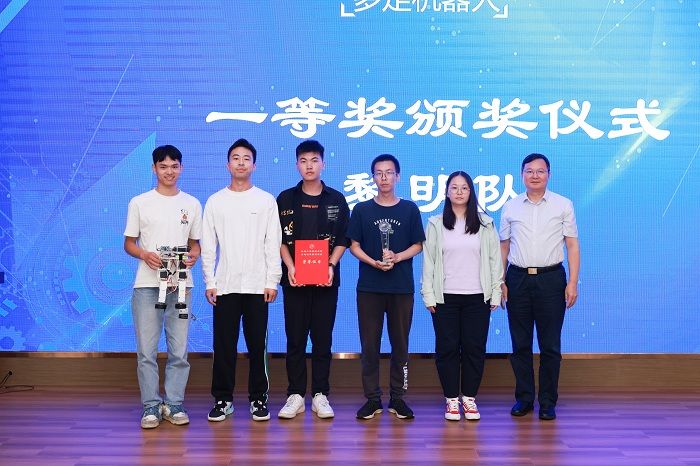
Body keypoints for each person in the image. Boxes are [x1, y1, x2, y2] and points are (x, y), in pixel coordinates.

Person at [200, 138, 282, 423]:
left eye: (246, 158)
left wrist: (272, 280)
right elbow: (208, 246)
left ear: (254, 165)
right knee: (224, 345)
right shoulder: (215, 201)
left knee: (257, 346)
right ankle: (223, 399)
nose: (241, 163)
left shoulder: (265, 200)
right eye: (236, 158)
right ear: (228, 164)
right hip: (225, 286)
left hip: (258, 286)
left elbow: (273, 243)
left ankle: (259, 399)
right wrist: (210, 282)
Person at [124, 144, 202, 429]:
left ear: (181, 168)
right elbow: (129, 243)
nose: (169, 171)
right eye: (163, 166)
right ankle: (150, 406)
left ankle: (174, 403)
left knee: (179, 349)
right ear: (154, 169)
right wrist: (144, 254)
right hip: (147, 285)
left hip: (181, 285)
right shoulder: (139, 202)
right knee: (146, 350)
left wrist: (194, 255)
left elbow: (195, 244)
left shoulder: (192, 204)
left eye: (174, 166)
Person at [500, 153, 580, 421]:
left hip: (551, 279)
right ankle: (524, 399)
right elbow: (504, 246)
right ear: (522, 174)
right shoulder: (510, 206)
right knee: (520, 344)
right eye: (529, 171)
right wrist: (500, 280)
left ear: (549, 174)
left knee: (550, 345)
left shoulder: (563, 205)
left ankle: (547, 402)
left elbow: (572, 245)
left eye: (540, 171)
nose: (535, 175)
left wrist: (572, 282)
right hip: (518, 279)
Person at [275, 140, 350, 419]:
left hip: (325, 281)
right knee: (295, 339)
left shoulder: (336, 199)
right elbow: (278, 239)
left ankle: (320, 394)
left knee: (322, 339)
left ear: (323, 164)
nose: (309, 166)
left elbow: (343, 238)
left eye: (314, 160)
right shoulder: (285, 199)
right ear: (297, 164)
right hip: (294, 279)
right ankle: (295, 394)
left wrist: (330, 265)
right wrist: (290, 266)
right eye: (304, 161)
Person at [347, 154, 425, 420]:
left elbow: (418, 245)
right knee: (369, 345)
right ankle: (372, 399)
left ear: (397, 176)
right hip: (369, 287)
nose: (384, 178)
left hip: (401, 287)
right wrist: (374, 262)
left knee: (400, 344)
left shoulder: (410, 209)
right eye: (379, 173)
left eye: (389, 172)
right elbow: (353, 246)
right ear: (373, 178)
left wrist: (397, 257)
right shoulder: (362, 210)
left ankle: (398, 398)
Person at [421, 171, 503, 421]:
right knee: (446, 348)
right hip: (445, 297)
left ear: (471, 192)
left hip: (478, 297)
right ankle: (451, 400)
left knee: (474, 348)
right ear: (446, 192)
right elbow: (429, 261)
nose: (459, 192)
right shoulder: (435, 223)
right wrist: (428, 294)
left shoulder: (485, 223)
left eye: (464, 188)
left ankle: (469, 398)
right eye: (454, 187)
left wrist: (496, 291)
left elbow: (494, 259)